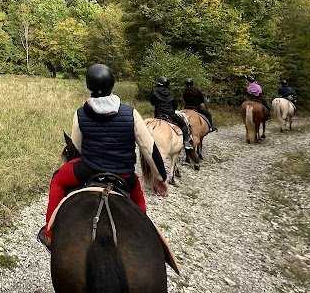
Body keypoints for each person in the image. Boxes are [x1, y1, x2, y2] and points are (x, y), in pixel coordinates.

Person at [38, 63, 168, 251]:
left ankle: (50, 234)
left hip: (89, 169)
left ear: (89, 85)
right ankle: (142, 237)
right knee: (139, 200)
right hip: (124, 175)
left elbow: (77, 147)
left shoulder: (81, 113)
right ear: (112, 84)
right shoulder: (130, 113)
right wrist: (160, 177)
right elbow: (149, 148)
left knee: (58, 179)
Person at [150, 76, 196, 151]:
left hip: (158, 114)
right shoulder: (171, 93)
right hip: (170, 114)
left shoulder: (154, 91)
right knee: (184, 125)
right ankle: (186, 141)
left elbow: (152, 102)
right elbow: (175, 105)